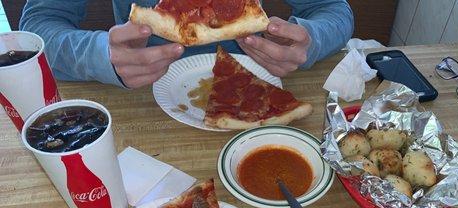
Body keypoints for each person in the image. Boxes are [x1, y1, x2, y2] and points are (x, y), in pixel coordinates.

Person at [20, 0, 354, 89]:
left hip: (256, 93)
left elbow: (334, 11)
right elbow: (38, 26)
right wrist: (98, 55)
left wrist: (307, 41)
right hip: (140, 110)